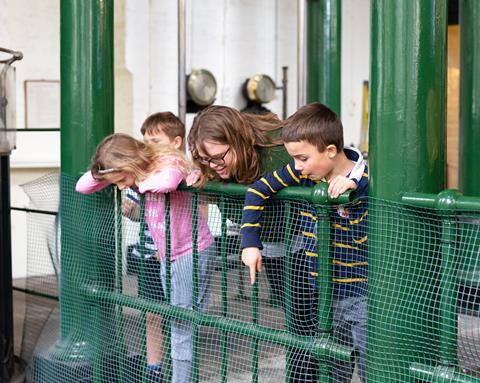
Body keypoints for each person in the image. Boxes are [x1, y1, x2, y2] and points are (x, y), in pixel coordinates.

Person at [240, 102, 368, 382]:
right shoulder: (304, 171)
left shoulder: (365, 180)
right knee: (334, 370)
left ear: (331, 151)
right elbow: (257, 190)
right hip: (322, 291)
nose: (296, 166)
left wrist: (354, 189)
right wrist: (250, 243)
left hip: (362, 294)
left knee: (371, 366)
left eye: (302, 158)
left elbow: (367, 227)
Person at [76, 133, 216, 383]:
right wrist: (102, 171)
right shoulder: (135, 173)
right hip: (167, 256)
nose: (120, 187)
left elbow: (170, 181)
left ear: (132, 163)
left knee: (181, 324)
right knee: (182, 320)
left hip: (190, 252)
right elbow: (82, 186)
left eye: (121, 179)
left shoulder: (165, 164)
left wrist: (138, 182)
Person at [188, 105, 290, 307]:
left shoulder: (279, 153)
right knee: (293, 314)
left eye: (217, 157)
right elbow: (236, 212)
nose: (213, 164)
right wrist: (206, 178)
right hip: (271, 245)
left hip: (310, 244)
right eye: (205, 159)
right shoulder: (214, 167)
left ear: (238, 141)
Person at [122, 112, 187, 382]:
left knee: (181, 315)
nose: (148, 145)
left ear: (176, 142)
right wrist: (130, 209)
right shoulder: (141, 172)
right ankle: (154, 369)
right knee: (152, 313)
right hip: (150, 253)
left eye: (155, 140)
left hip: (180, 254)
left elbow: (199, 210)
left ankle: (179, 366)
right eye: (145, 140)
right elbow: (137, 213)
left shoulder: (184, 172)